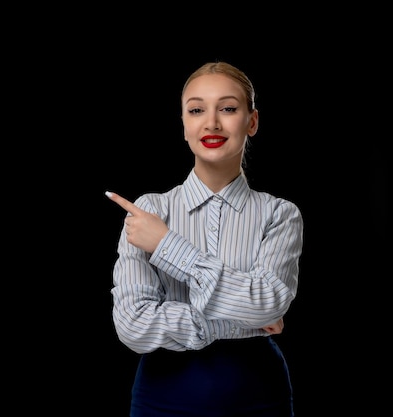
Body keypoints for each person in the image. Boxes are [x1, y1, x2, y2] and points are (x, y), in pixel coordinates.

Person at [105, 61, 303, 417]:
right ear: (184, 124)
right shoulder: (150, 211)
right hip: (161, 397)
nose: (211, 123)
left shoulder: (280, 214)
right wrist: (244, 319)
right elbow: (133, 325)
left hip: (260, 395)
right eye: (197, 110)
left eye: (228, 108)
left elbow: (269, 303)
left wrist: (167, 246)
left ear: (252, 121)